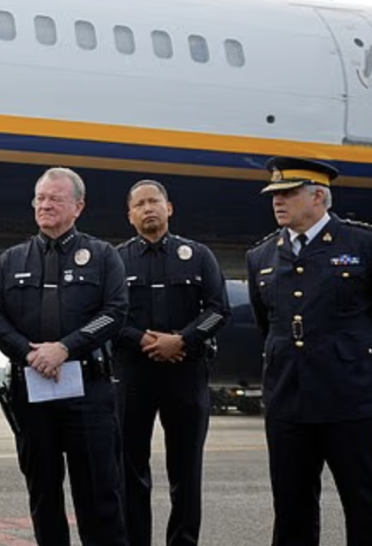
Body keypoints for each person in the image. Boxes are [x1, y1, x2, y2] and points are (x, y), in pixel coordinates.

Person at [246, 157, 372, 546]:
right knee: (291, 509)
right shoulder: (261, 256)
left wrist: (361, 361)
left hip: (352, 397)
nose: (277, 201)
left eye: (288, 193)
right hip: (288, 399)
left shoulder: (370, 244)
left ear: (318, 197)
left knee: (367, 506)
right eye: (274, 194)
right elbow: (269, 325)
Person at [0, 167, 128, 546]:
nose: (45, 205)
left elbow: (115, 312)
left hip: (89, 393)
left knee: (99, 497)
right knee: (43, 494)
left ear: (78, 207)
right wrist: (29, 354)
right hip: (31, 393)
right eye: (40, 198)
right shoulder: (12, 260)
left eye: (56, 199)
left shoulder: (103, 256)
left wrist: (65, 348)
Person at [114, 180, 229, 546]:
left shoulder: (198, 255)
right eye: (140, 204)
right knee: (130, 469)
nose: (148, 208)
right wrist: (144, 340)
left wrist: (182, 340)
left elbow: (218, 310)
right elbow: (107, 315)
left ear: (169, 208)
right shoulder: (115, 260)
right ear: (130, 216)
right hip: (133, 377)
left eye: (154, 201)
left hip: (186, 374)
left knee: (186, 470)